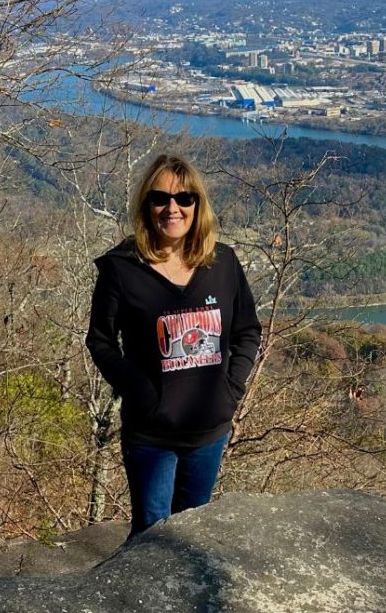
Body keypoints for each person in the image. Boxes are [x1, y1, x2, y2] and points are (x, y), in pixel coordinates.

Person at [85, 154, 262, 538]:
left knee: (193, 534)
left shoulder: (224, 264)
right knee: (152, 533)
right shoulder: (121, 268)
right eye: (160, 198)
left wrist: (230, 390)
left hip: (209, 432)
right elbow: (100, 340)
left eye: (184, 198)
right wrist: (140, 390)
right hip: (151, 435)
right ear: (146, 205)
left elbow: (247, 330)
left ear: (198, 205)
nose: (173, 208)